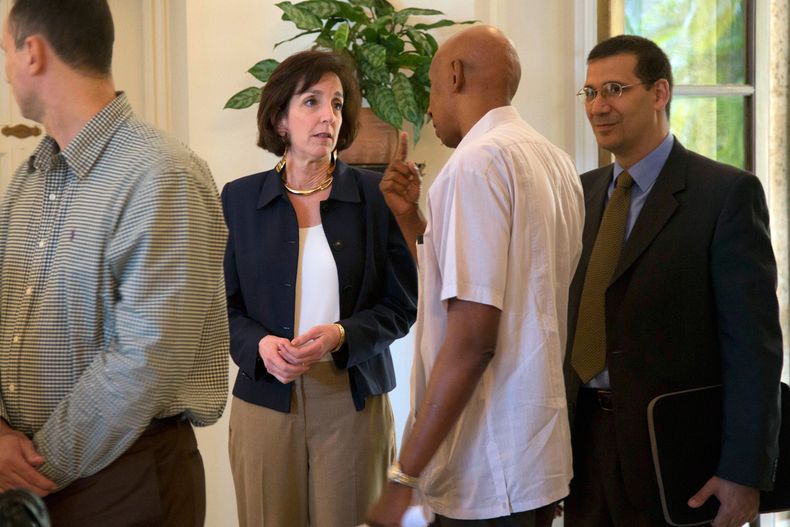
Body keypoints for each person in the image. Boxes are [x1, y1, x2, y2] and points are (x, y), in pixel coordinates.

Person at [0, 1, 229, 525]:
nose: (7, 68)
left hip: (126, 480)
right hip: (31, 483)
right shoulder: (27, 180)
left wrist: (31, 467)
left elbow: (147, 357)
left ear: (32, 53)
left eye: (7, 51)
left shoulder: (162, 174)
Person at [367, 25, 585, 527]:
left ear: (454, 74)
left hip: (487, 465)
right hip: (537, 455)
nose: (427, 107)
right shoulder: (555, 162)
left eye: (429, 87)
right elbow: (488, 290)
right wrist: (411, 219)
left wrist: (404, 476)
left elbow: (472, 341)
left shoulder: (474, 166)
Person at [563, 34, 783, 527]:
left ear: (659, 93)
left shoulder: (725, 195)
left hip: (679, 462)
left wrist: (744, 473)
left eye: (615, 89)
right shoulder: (580, 193)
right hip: (585, 457)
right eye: (590, 93)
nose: (599, 106)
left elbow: (754, 350)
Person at [222, 49, 418, 527]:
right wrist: (261, 346)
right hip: (266, 397)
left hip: (351, 399)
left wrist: (341, 335)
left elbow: (401, 305)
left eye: (336, 103)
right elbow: (223, 309)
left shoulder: (374, 195)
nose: (327, 115)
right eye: (311, 101)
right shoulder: (240, 198)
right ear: (280, 119)